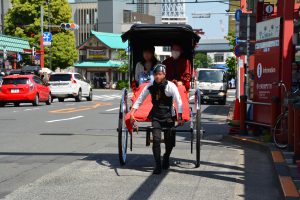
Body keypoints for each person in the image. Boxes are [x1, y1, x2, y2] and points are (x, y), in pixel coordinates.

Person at [130, 64, 184, 175]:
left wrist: (180, 116)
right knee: (156, 139)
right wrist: (132, 113)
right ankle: (158, 165)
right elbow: (140, 99)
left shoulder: (170, 86)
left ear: (164, 75)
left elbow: (179, 101)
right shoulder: (150, 86)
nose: (158, 76)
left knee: (169, 141)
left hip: (169, 115)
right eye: (155, 74)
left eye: (160, 74)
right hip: (156, 116)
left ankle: (166, 156)